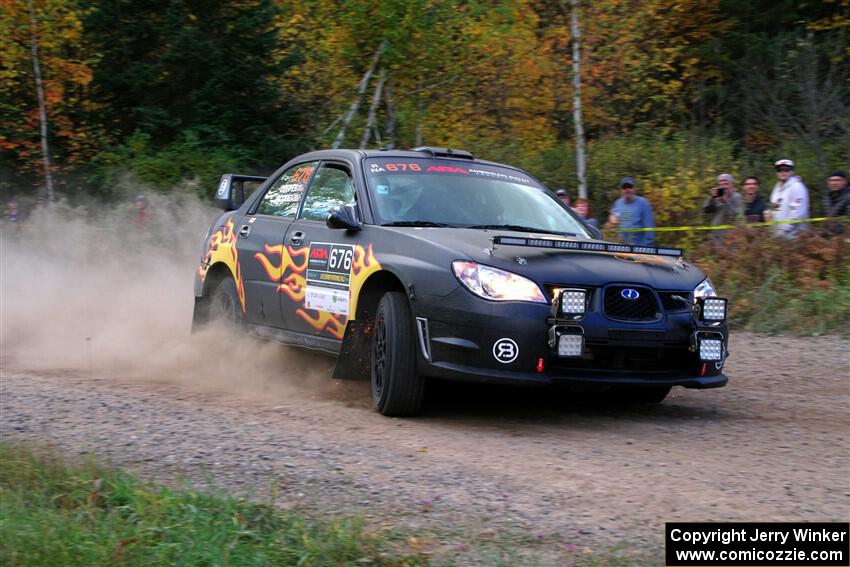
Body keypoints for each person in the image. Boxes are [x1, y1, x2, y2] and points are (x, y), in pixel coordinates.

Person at [607, 177, 655, 246]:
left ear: (634, 188)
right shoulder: (617, 203)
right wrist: (611, 223)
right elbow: (612, 223)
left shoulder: (643, 203)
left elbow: (650, 231)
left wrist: (644, 248)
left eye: (630, 187)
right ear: (621, 190)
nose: (627, 190)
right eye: (624, 187)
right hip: (622, 248)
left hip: (640, 248)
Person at [767, 159, 809, 238]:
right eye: (779, 170)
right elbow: (775, 207)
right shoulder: (776, 188)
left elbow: (797, 213)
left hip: (795, 237)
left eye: (786, 170)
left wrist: (784, 231)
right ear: (776, 173)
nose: (783, 172)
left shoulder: (797, 186)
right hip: (780, 237)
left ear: (792, 172)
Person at [821, 170, 849, 236]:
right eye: (832, 180)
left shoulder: (848, 197)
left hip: (844, 238)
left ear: (845, 182)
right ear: (828, 182)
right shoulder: (826, 198)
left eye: (838, 180)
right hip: (829, 237)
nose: (834, 183)